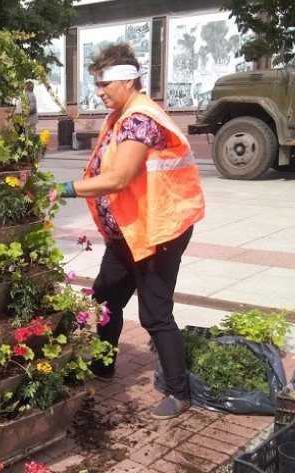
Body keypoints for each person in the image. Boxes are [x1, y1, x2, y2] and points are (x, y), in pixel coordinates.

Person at [59, 44, 205, 420]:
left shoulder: (140, 119)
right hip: (128, 232)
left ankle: (179, 391)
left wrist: (66, 189)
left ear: (125, 79)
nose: (99, 91)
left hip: (156, 233)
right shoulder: (121, 115)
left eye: (103, 84)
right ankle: (104, 365)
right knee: (106, 299)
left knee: (155, 314)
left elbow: (120, 177)